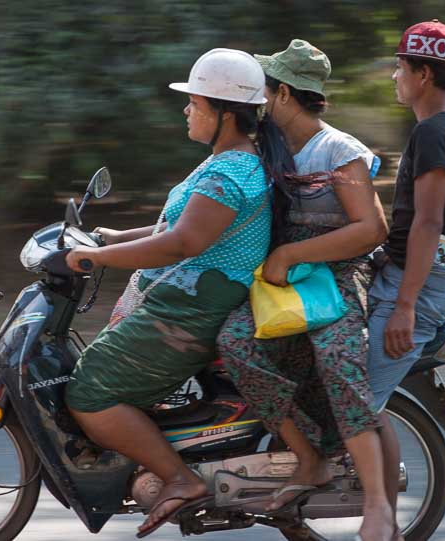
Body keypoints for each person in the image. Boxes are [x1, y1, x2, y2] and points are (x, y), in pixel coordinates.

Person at [63, 48, 293, 537]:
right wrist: (113, 238)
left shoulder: (229, 174)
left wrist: (97, 260)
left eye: (195, 102)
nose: (187, 109)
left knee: (88, 392)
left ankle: (179, 479)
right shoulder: (227, 165)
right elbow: (177, 223)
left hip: (186, 316)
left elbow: (182, 243)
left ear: (225, 114)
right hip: (182, 305)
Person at [216, 39, 394, 541]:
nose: (258, 102)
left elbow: (372, 229)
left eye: (264, 92)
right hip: (280, 282)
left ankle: (378, 504)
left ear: (286, 95)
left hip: (337, 274)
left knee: (336, 359)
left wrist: (293, 253)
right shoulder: (267, 149)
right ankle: (308, 457)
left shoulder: (338, 150)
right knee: (233, 343)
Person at [367, 20, 445, 537]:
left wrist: (405, 305)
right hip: (414, 272)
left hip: (420, 283)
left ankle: (378, 516)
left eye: (401, 67)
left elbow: (430, 224)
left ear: (424, 73)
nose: (394, 76)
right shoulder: (444, 129)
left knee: (351, 401)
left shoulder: (434, 133)